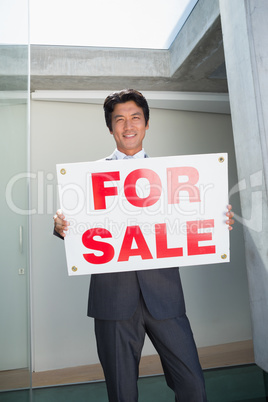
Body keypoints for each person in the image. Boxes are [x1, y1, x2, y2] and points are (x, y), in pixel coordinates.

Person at [54, 89, 234, 402]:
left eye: (135, 118)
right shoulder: (86, 177)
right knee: (122, 394)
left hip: (165, 297)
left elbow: (192, 223)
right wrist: (60, 227)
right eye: (119, 120)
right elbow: (75, 227)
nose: (128, 126)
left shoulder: (175, 180)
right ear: (110, 128)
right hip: (112, 302)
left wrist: (218, 221)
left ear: (147, 124)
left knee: (193, 386)